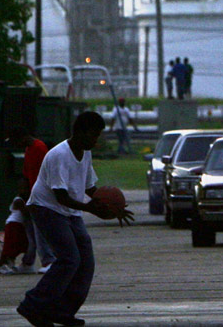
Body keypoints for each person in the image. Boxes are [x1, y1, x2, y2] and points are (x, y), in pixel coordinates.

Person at [18, 110, 134, 327]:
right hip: (46, 208)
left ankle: (61, 311)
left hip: (69, 211)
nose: (96, 140)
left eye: (98, 135)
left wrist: (110, 206)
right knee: (69, 258)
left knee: (85, 261)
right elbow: (60, 196)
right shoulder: (58, 155)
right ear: (80, 132)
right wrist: (91, 208)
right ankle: (33, 304)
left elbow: (90, 187)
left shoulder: (85, 152)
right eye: (94, 134)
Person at [9, 124, 51, 272]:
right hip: (33, 196)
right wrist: (22, 197)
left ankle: (49, 261)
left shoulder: (39, 148)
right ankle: (28, 262)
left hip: (41, 197)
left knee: (40, 231)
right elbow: (27, 175)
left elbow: (45, 174)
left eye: (16, 140)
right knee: (30, 231)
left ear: (22, 138)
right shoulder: (29, 149)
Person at [0, 197, 31, 274]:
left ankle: (10, 264)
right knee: (10, 246)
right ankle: (3, 266)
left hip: (20, 225)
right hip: (14, 224)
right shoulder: (19, 200)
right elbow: (25, 212)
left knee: (18, 246)